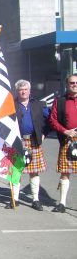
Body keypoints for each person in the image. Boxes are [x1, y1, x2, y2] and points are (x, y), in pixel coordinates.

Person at [7, 79, 50, 210]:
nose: (23, 91)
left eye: (25, 89)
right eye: (20, 89)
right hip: (17, 141)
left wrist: (44, 134)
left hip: (33, 141)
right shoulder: (11, 105)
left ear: (29, 91)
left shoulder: (39, 104)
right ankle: (15, 199)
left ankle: (35, 200)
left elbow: (49, 121)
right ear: (17, 91)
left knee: (34, 172)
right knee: (16, 171)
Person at [49, 74, 77, 213]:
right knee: (65, 173)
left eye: (76, 82)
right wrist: (65, 131)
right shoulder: (60, 101)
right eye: (71, 83)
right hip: (68, 139)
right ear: (67, 85)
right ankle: (62, 203)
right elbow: (53, 120)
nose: (74, 85)